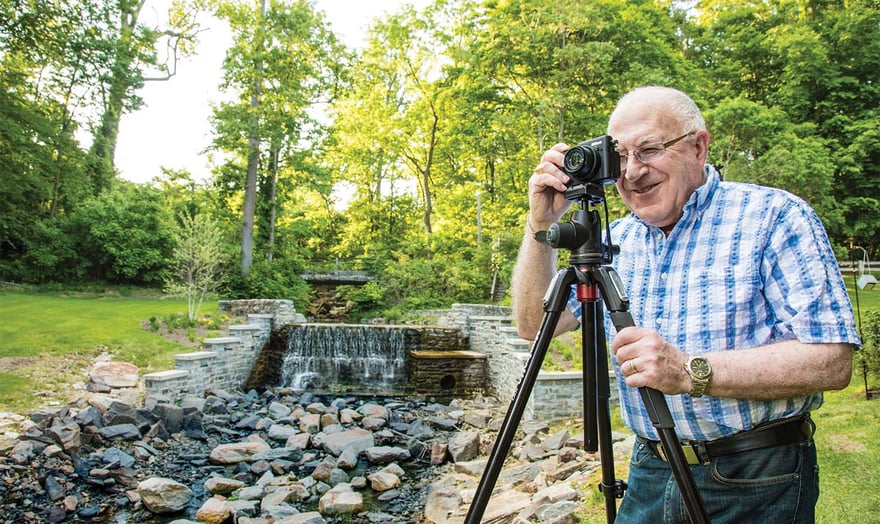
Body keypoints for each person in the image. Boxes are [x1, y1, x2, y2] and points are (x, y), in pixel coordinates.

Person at [512, 86, 860, 523]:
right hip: (650, 470)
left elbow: (831, 360)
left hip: (756, 474)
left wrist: (689, 371)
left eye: (649, 150)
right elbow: (531, 324)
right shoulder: (615, 241)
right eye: (619, 156)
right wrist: (541, 225)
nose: (633, 172)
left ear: (698, 146)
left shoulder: (773, 216)